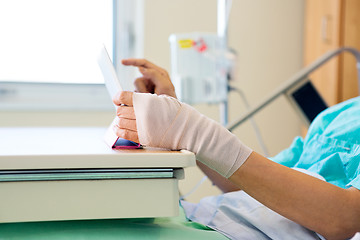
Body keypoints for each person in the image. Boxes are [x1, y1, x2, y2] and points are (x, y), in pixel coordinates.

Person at [112, 58, 360, 240]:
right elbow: (245, 183)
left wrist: (188, 129)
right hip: (206, 217)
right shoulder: (338, 116)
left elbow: (343, 217)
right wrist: (174, 122)